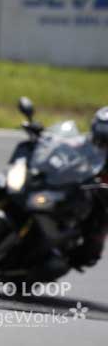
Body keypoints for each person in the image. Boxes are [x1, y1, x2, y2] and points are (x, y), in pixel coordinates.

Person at [68, 106, 108, 269]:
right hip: (68, 185)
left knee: (100, 219)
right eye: (102, 134)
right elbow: (61, 145)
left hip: (97, 196)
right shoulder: (84, 142)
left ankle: (83, 250)